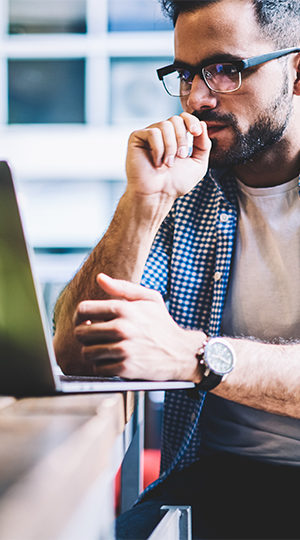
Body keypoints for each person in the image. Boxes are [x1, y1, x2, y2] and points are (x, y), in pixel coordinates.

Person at [53, 0, 300, 538]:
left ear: (297, 72)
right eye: (186, 75)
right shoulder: (189, 187)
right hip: (214, 478)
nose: (197, 99)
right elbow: (76, 355)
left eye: (225, 70)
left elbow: (182, 355)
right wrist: (143, 203)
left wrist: (196, 357)